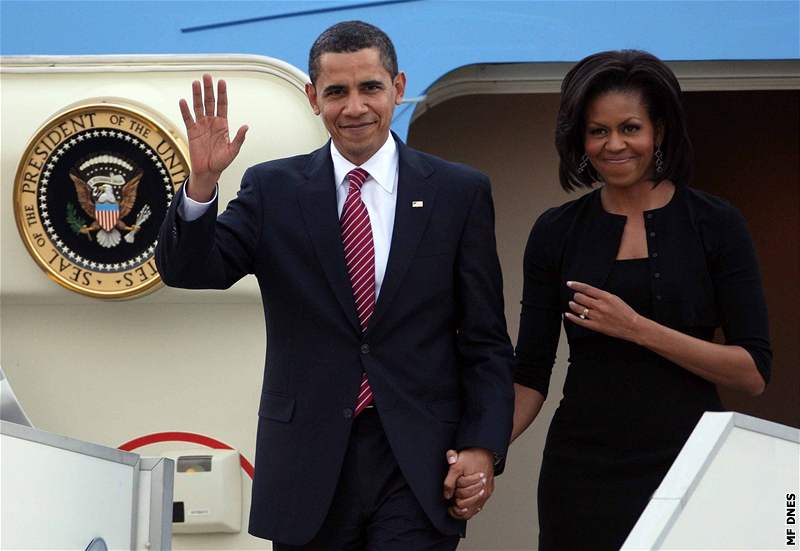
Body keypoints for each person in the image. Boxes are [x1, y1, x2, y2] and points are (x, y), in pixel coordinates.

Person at [155, 20, 513, 550]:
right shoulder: (272, 189)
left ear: (397, 87)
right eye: (336, 92)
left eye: (370, 87)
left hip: (415, 463)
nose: (354, 107)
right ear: (312, 97)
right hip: (307, 462)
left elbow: (486, 340)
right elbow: (190, 270)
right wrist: (202, 183)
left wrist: (482, 446)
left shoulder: (458, 192)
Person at [455, 50, 772, 549]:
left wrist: (637, 328)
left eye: (630, 128)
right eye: (598, 131)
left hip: (691, 459)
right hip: (581, 470)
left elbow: (752, 371)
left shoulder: (716, 224)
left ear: (659, 131)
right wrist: (483, 448)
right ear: (580, 139)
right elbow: (531, 373)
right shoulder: (556, 231)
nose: (614, 144)